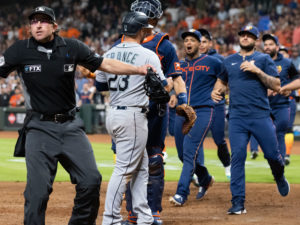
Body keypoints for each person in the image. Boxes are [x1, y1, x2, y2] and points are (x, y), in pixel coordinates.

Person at [0, 6, 154, 225]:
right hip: (39, 128)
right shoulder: (19, 51)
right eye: (34, 21)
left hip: (71, 126)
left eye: (44, 21)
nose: (39, 25)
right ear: (29, 27)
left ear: (54, 26)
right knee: (37, 193)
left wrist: (138, 70)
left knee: (91, 181)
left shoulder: (71, 47)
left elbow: (104, 64)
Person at [96, 11, 168, 225]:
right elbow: (162, 88)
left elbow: (101, 86)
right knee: (125, 169)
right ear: (140, 30)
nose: (147, 32)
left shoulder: (108, 53)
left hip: (114, 112)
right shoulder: (147, 54)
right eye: (145, 29)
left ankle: (144, 217)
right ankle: (110, 219)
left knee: (141, 166)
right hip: (133, 115)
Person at [119, 1, 188, 224]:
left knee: (154, 160)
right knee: (133, 162)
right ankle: (133, 213)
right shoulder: (121, 43)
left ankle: (153, 211)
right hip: (131, 110)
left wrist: (184, 101)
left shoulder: (163, 45)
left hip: (155, 110)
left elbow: (176, 77)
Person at [211, 26, 290, 215]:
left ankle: (278, 175)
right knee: (237, 157)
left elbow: (277, 85)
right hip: (237, 117)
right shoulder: (228, 60)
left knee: (273, 155)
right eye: (243, 35)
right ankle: (238, 202)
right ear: (239, 38)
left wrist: (257, 71)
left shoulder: (263, 59)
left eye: (250, 36)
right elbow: (222, 81)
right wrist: (216, 91)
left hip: (260, 115)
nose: (245, 37)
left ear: (256, 40)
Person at [170, 29, 224, 206]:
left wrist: (219, 90)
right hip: (183, 111)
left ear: (200, 44)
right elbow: (173, 83)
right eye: (186, 40)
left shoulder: (212, 62)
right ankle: (205, 178)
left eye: (192, 40)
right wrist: (171, 95)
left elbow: (226, 78)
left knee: (189, 151)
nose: (188, 43)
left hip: (203, 111)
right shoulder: (179, 64)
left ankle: (181, 193)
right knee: (181, 154)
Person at [249, 34, 299, 162]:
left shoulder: (287, 63)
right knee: (259, 133)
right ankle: (256, 151)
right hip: (262, 106)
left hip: (281, 105)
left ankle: (280, 167)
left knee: (279, 134)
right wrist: (266, 91)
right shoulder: (257, 61)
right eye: (265, 44)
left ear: (277, 47)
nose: (267, 47)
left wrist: (285, 88)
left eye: (271, 44)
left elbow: (298, 80)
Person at [198, 28, 231, 179]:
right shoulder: (191, 60)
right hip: (198, 106)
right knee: (196, 141)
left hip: (216, 104)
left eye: (204, 41)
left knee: (219, 138)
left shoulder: (219, 59)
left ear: (210, 43)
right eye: (200, 41)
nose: (201, 45)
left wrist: (228, 94)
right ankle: (199, 172)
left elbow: (228, 80)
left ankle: (227, 164)